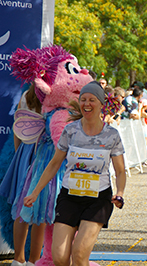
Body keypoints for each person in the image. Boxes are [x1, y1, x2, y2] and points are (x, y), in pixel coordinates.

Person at [23, 81, 126, 266]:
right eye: (83, 99)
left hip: (98, 199)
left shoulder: (111, 134)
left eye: (92, 100)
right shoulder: (70, 130)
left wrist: (120, 193)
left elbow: (120, 170)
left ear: (102, 104)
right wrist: (35, 192)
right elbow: (54, 163)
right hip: (69, 197)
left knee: (79, 255)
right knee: (60, 257)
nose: (87, 104)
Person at [0, 85, 43, 266]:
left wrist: (20, 155)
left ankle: (19, 259)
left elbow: (17, 127)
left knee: (21, 206)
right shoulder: (53, 97)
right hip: (44, 153)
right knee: (40, 207)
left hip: (24, 153)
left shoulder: (26, 95)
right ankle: (34, 259)